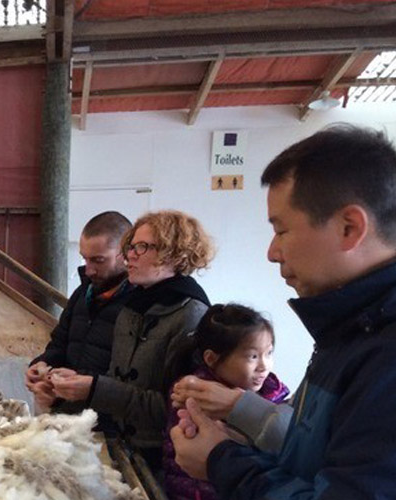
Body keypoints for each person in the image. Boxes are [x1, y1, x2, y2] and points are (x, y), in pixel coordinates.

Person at [171, 124, 396, 498]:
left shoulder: (385, 350)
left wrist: (222, 461)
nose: (273, 252)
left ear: (349, 227)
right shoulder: (352, 329)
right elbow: (317, 460)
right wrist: (237, 429)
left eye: (282, 230)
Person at [51, 210, 213, 471]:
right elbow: (118, 377)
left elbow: (177, 408)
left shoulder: (191, 315)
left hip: (162, 459)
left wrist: (94, 389)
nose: (130, 255)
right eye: (131, 246)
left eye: (143, 247)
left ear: (174, 253)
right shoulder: (134, 306)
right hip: (121, 446)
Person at [162, 304, 289, 500]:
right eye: (252, 356)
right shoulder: (192, 397)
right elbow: (190, 471)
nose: (264, 366)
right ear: (212, 359)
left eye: (269, 353)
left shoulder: (277, 398)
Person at [25, 211, 134, 424]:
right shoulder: (83, 293)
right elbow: (60, 343)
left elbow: (130, 376)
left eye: (99, 260)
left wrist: (87, 384)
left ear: (125, 253)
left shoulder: (138, 304)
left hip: (109, 423)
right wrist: (42, 365)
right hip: (69, 415)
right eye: (85, 258)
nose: (89, 269)